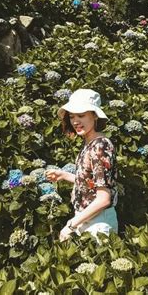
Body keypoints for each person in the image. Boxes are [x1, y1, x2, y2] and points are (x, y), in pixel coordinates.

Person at [46, 89, 118, 241]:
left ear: (95, 115)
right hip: (88, 218)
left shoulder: (100, 146)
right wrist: (64, 175)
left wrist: (71, 225)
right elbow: (93, 181)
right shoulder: (90, 144)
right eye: (72, 116)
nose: (75, 121)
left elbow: (103, 198)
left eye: (81, 115)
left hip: (98, 222)